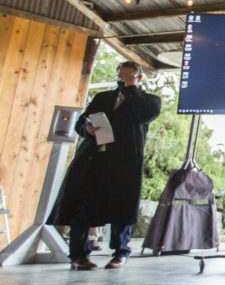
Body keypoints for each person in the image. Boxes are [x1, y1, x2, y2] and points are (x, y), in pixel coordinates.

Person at [47, 61, 162, 270]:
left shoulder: (149, 101)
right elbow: (81, 122)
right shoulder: (103, 98)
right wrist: (87, 128)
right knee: (81, 207)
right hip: (93, 159)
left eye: (129, 76)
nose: (124, 80)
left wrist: (132, 90)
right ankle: (79, 255)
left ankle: (120, 252)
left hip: (124, 163)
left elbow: (143, 116)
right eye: (121, 76)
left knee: (121, 209)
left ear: (139, 77)